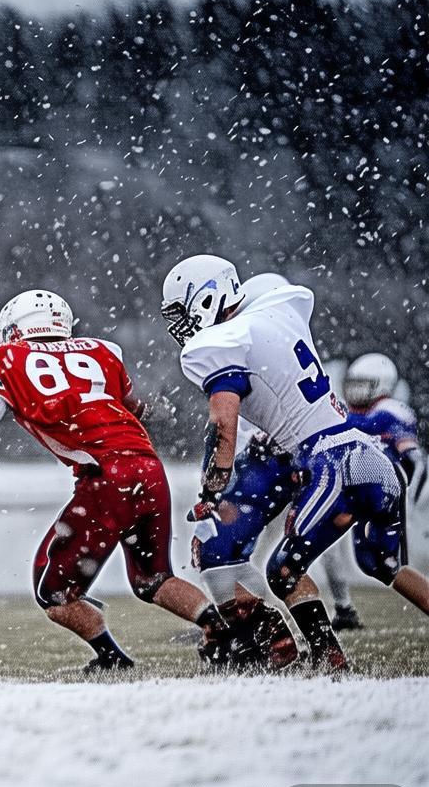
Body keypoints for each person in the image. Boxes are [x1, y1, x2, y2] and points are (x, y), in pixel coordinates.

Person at [0, 289, 234, 672]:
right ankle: (224, 633)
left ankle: (112, 659)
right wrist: (160, 413)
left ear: (14, 329)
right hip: (148, 467)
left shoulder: (6, 357)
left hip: (106, 477)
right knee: (154, 578)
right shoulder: (102, 351)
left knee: (52, 591)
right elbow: (132, 407)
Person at [162, 254, 429, 672]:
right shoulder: (278, 309)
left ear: (208, 298)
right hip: (367, 455)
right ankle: (313, 651)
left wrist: (211, 490)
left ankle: (328, 658)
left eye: (182, 312)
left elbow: (223, 424)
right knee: (383, 564)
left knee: (283, 569)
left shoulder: (221, 342)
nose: (179, 326)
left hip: (332, 460)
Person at [186, 273, 300, 670]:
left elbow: (224, 427)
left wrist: (211, 492)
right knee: (245, 553)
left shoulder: (241, 346)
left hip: (288, 461)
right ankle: (257, 636)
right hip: (276, 461)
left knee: (228, 548)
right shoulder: (268, 346)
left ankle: (264, 638)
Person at [324, 352, 428, 629]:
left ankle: (343, 610)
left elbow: (413, 459)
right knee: (353, 556)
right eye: (354, 384)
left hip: (379, 495)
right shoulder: (354, 414)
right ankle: (343, 609)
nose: (356, 391)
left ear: (382, 385)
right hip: (352, 491)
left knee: (381, 562)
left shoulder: (389, 411)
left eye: (364, 384)